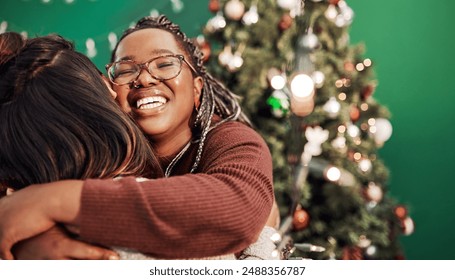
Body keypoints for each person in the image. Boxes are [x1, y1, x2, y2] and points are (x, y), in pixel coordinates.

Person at [0, 15, 276, 260]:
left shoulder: (233, 139)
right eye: (125, 69)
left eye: (165, 63)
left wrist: (48, 202)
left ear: (197, 91)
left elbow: (238, 209)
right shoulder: (81, 156)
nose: (144, 79)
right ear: (108, 92)